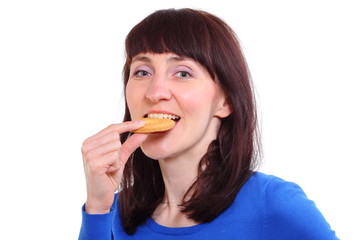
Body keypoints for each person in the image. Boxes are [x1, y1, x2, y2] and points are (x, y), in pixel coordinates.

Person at [78, 8, 338, 239]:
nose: (155, 92)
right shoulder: (112, 212)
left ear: (226, 102)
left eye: (182, 73)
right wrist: (97, 208)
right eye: (142, 72)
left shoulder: (274, 204)